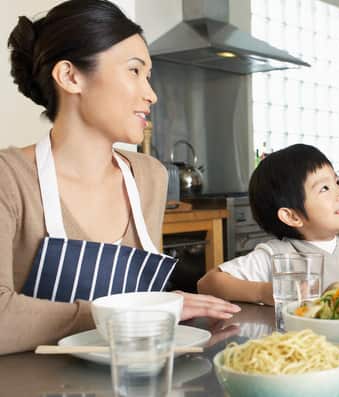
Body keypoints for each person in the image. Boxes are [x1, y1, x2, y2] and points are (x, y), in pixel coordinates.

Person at [0, 0, 239, 355]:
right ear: (70, 76)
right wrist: (136, 313)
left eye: (148, 75)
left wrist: (164, 307)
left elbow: (148, 312)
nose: (151, 93)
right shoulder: (10, 178)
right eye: (134, 71)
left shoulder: (148, 177)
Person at [198, 110, 339, 304]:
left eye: (337, 182)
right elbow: (208, 283)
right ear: (291, 216)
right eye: (324, 189)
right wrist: (265, 291)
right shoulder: (278, 256)